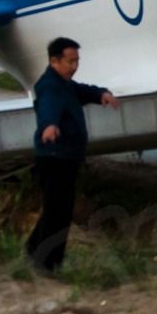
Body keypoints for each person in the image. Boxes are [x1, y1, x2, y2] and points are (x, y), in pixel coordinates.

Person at [26, 36, 118, 275]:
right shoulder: (49, 85)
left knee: (55, 210)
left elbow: (83, 91)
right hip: (55, 157)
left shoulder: (65, 83)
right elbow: (48, 107)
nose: (74, 66)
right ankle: (47, 265)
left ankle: (32, 253)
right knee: (59, 214)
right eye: (70, 62)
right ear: (54, 61)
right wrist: (48, 125)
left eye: (77, 61)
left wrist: (101, 95)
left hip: (65, 157)